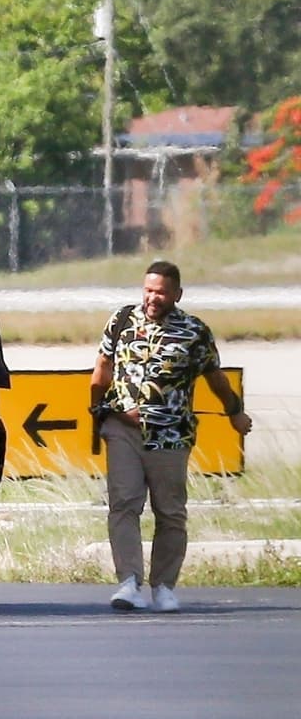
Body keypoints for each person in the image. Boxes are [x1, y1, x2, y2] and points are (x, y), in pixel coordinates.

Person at [90, 260, 252, 613]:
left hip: (171, 435)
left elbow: (216, 379)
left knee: (170, 512)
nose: (152, 298)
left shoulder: (194, 331)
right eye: (148, 290)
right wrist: (97, 413)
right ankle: (128, 582)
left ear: (177, 294)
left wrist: (235, 412)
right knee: (124, 504)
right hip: (123, 430)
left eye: (161, 292)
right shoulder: (121, 321)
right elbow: (101, 369)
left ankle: (163, 586)